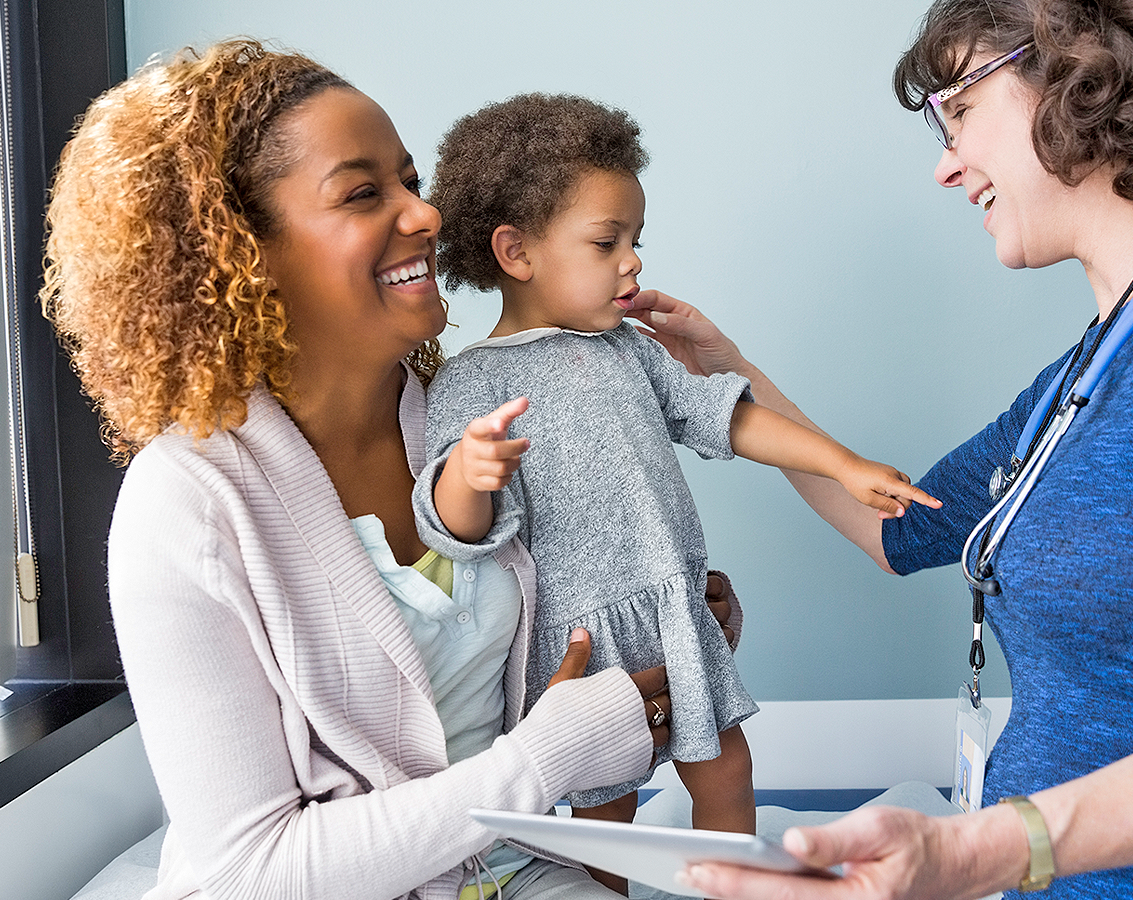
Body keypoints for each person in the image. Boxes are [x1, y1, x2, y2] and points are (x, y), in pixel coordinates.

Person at [631, 1, 1133, 897]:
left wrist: (978, 850)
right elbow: (897, 530)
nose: (945, 166)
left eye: (958, 109)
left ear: (1081, 71)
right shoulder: (1086, 373)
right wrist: (731, 372)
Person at [40, 39, 742, 900]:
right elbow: (248, 869)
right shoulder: (185, 504)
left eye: (411, 180)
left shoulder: (462, 421)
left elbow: (555, 639)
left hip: (511, 866)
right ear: (238, 250)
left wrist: (665, 637)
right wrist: (545, 756)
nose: (425, 215)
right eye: (365, 193)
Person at [411, 93, 941, 887]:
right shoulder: (471, 381)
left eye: (636, 240)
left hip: (671, 608)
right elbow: (453, 528)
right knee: (604, 812)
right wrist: (466, 477)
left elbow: (729, 417)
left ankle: (745, 887)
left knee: (725, 768)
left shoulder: (630, 349)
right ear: (516, 253)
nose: (633, 262)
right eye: (607, 241)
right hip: (579, 637)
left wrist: (842, 463)